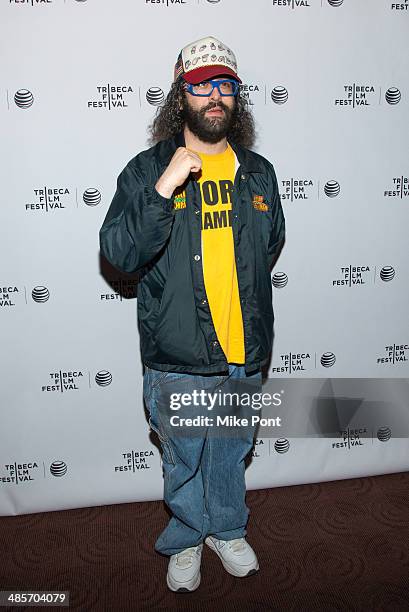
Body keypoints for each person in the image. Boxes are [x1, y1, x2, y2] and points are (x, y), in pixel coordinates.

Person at [99, 35, 285, 593]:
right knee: (183, 462)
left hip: (243, 353)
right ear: (182, 94)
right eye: (203, 85)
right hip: (178, 356)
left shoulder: (259, 172)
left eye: (226, 86)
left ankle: (226, 529)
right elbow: (120, 253)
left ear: (237, 98)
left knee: (230, 454)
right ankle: (185, 537)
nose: (215, 96)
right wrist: (163, 190)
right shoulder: (144, 170)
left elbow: (269, 245)